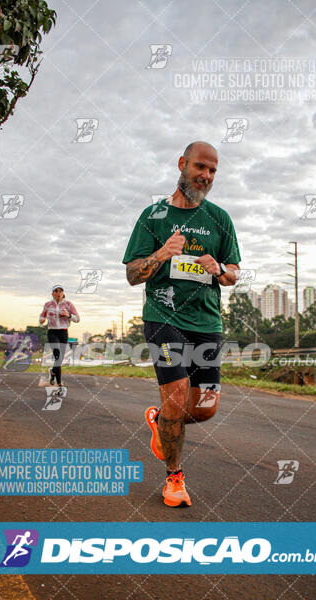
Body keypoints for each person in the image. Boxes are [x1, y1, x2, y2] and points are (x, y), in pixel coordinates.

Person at [123, 141, 241, 507]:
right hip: (163, 317)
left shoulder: (220, 219)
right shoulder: (153, 216)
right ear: (182, 164)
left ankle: (162, 422)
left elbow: (235, 271)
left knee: (205, 407)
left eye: (212, 171)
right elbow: (131, 274)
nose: (205, 176)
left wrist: (220, 269)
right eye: (200, 167)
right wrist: (160, 254)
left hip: (206, 321)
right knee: (176, 396)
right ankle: (174, 478)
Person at [39, 285, 80, 389]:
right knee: (57, 354)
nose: (58, 293)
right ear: (52, 293)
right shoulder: (48, 304)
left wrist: (68, 315)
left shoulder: (68, 304)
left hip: (63, 332)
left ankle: (53, 372)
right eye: (56, 291)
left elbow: (77, 319)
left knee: (60, 358)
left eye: (60, 291)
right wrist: (41, 321)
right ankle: (59, 384)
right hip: (52, 332)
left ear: (63, 293)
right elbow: (42, 315)